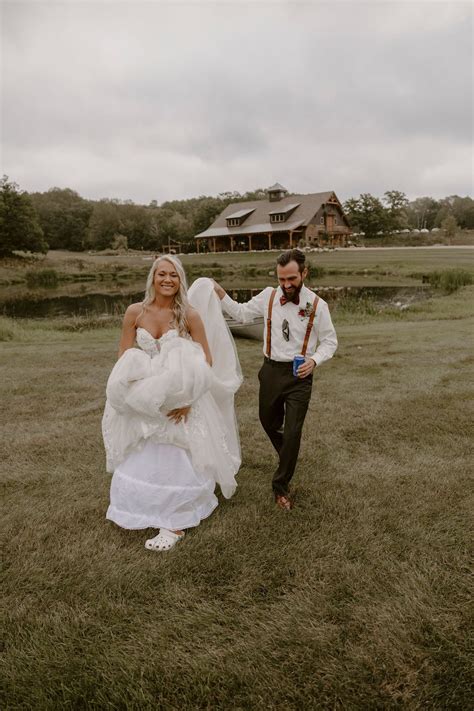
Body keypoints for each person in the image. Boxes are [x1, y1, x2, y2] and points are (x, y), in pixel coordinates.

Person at [102, 255, 242, 551]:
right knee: (143, 454)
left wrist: (189, 399)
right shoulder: (134, 313)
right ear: (153, 278)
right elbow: (124, 356)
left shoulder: (188, 315)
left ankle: (175, 522)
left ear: (180, 281)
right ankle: (140, 507)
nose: (167, 280)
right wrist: (133, 392)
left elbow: (207, 361)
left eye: (174, 275)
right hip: (145, 399)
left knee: (176, 456)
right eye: (162, 274)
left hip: (180, 400)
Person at [213, 248, 337, 511]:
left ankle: (281, 485)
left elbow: (329, 341)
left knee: (292, 432)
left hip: (298, 375)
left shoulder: (317, 305)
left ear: (304, 273)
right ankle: (288, 456)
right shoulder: (268, 296)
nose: (286, 285)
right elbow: (242, 313)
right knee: (268, 422)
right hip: (270, 371)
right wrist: (220, 292)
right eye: (282, 279)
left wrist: (314, 361)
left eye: (292, 279)